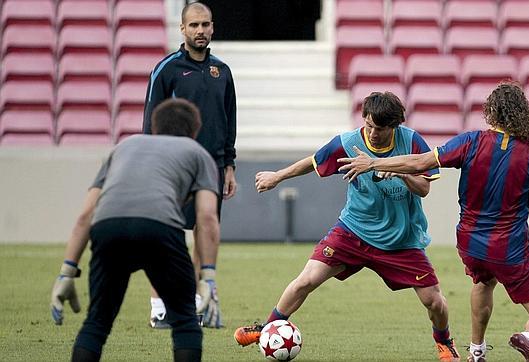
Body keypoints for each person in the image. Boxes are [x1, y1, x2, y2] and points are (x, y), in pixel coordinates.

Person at [337, 82, 529, 362]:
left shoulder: (470, 142)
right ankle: (528, 335)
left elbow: (420, 162)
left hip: (470, 243)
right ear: (523, 115)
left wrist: (373, 162)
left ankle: (477, 351)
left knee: (483, 281)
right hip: (510, 247)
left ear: (490, 112)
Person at [234, 92, 461, 362]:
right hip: (353, 231)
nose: (373, 133)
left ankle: (444, 342)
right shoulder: (348, 142)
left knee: (433, 301)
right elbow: (314, 161)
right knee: (305, 280)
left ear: (395, 126)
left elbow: (424, 188)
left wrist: (400, 171)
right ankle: (267, 329)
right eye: (369, 125)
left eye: (380, 128)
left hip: (400, 240)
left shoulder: (411, 141)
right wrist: (278, 176)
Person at [49, 98, 222, 362]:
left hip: (108, 227)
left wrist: (67, 271)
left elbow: (86, 215)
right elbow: (207, 217)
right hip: (159, 228)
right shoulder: (197, 152)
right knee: (185, 322)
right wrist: (208, 276)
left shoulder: (124, 146)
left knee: (97, 323)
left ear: (154, 125)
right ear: (194, 130)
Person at [142, 2, 237, 329]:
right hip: (172, 165)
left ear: (212, 27)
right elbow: (151, 120)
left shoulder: (222, 71)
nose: (200, 31)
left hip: (211, 166)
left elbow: (229, 121)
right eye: (194, 25)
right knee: (167, 233)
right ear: (182, 29)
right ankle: (159, 307)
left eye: (206, 25)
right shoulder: (166, 69)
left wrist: (229, 165)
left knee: (204, 232)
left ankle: (196, 303)